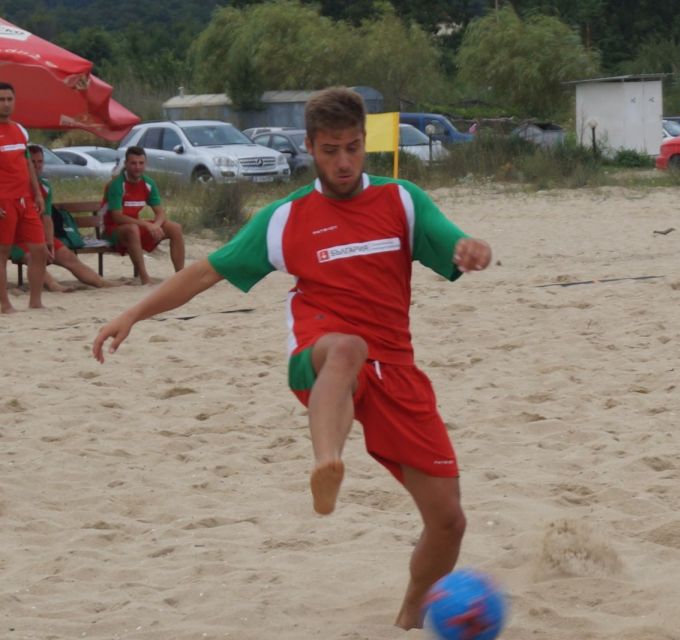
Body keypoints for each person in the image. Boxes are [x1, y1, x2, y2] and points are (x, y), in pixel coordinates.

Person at [91, 87, 493, 629]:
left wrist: (470, 250)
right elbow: (205, 272)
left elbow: (451, 241)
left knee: (448, 522)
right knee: (348, 348)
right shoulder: (285, 217)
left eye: (353, 148)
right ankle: (327, 461)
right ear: (309, 147)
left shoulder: (401, 200)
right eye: (330, 150)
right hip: (320, 355)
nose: (343, 161)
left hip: (396, 368)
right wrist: (133, 314)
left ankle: (409, 618)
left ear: (365, 142)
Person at [9, 145, 117, 290]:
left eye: (40, 161)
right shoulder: (12, 186)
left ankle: (101, 282)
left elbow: (47, 217)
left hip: (38, 236)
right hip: (16, 239)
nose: (36, 166)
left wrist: (49, 243)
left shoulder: (45, 187)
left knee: (69, 257)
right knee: (35, 258)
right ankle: (54, 286)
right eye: (32, 162)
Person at [0, 81, 50, 312]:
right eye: (1, 100)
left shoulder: (20, 130)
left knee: (39, 250)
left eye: (9, 99)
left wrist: (37, 193)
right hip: (3, 200)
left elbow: (27, 161)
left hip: (25, 199)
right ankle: (5, 304)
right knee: (2, 253)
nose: (6, 104)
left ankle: (35, 302)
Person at [102, 147, 185, 284]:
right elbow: (117, 217)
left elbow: (160, 212)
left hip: (134, 226)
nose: (137, 167)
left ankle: (181, 276)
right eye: (133, 163)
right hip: (113, 230)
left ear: (146, 164)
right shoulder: (116, 184)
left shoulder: (148, 183)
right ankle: (144, 277)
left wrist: (156, 225)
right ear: (126, 164)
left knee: (175, 227)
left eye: (141, 163)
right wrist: (147, 225)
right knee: (133, 229)